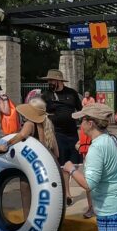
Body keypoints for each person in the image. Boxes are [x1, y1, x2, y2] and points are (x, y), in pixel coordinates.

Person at [62, 103, 117, 231]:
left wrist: (71, 168)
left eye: (82, 120)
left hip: (111, 209)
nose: (79, 124)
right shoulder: (115, 139)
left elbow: (89, 184)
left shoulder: (97, 147)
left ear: (91, 123)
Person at [41, 69, 82, 206]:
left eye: (51, 80)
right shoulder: (45, 95)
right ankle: (64, 193)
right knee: (60, 164)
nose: (49, 83)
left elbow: (80, 110)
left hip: (72, 133)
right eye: (48, 80)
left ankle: (67, 192)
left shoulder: (72, 93)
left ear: (58, 81)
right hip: (55, 133)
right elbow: (40, 112)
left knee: (71, 164)